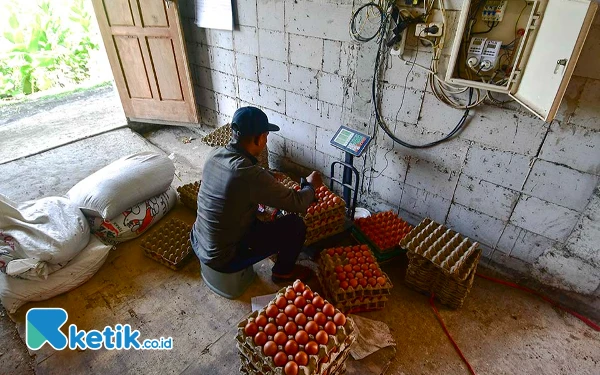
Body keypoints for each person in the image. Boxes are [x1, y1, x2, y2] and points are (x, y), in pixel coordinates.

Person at [191, 106, 323, 283]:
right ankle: (283, 272)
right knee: (295, 225)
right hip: (224, 257)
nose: (265, 141)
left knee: (260, 215)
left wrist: (266, 175)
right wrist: (311, 186)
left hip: (200, 240)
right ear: (259, 138)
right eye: (266, 137)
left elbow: (239, 175)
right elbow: (298, 203)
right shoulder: (248, 174)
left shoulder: (215, 154)